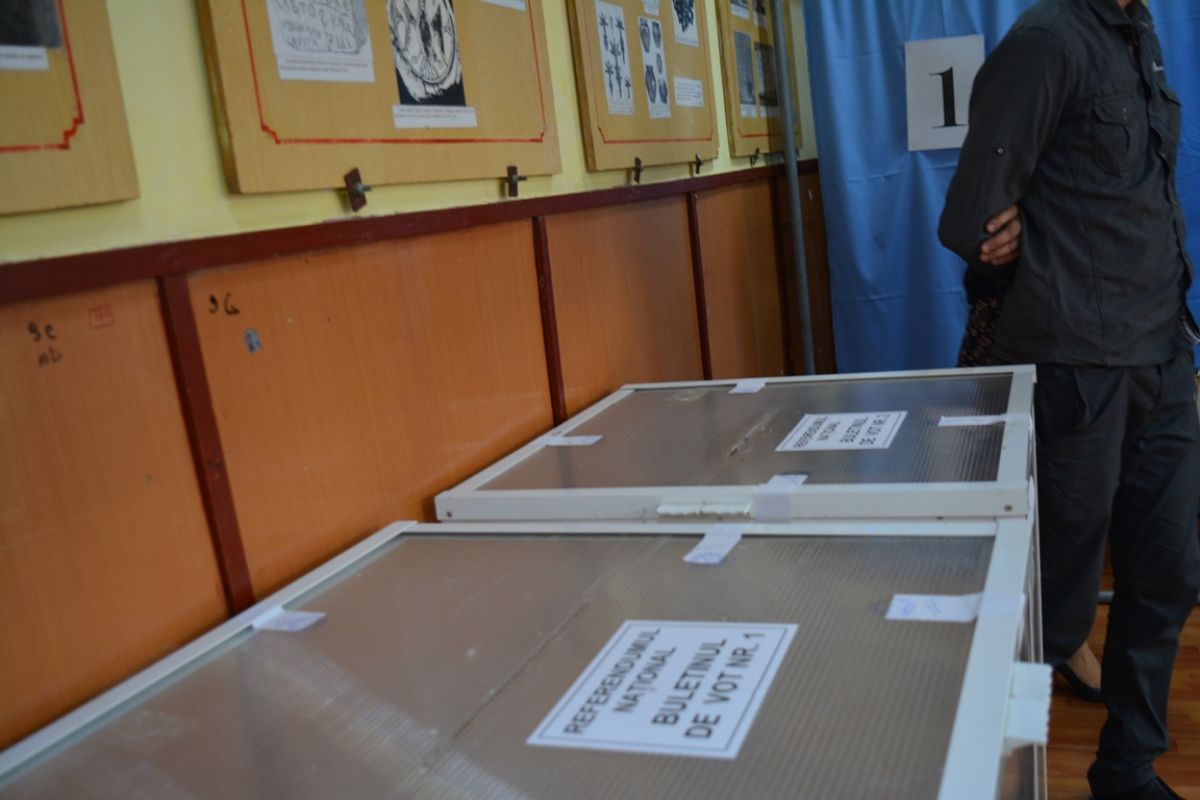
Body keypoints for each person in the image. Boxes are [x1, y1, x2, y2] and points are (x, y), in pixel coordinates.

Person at [938, 1, 1200, 797]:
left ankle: (1127, 768)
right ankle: (988, 777)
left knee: (1166, 575)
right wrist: (1018, 234)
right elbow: (970, 217)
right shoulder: (1048, 39)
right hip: (1078, 363)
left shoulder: (1138, 33)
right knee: (1052, 607)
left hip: (1163, 352)